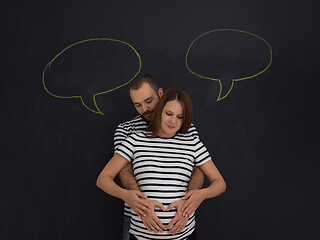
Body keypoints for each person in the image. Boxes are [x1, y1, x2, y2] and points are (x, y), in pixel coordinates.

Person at [97, 87, 226, 240]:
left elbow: (220, 183)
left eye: (180, 117)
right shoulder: (134, 140)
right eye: (169, 114)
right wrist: (126, 195)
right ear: (159, 110)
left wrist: (201, 195)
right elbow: (102, 179)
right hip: (141, 236)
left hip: (184, 235)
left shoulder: (193, 143)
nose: (173, 121)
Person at [114, 75, 205, 240]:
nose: (145, 109)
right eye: (138, 105)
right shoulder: (126, 131)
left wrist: (188, 205)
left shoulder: (185, 127)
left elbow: (198, 168)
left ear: (161, 93)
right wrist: (142, 208)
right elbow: (124, 171)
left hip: (180, 221)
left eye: (148, 101)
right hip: (137, 220)